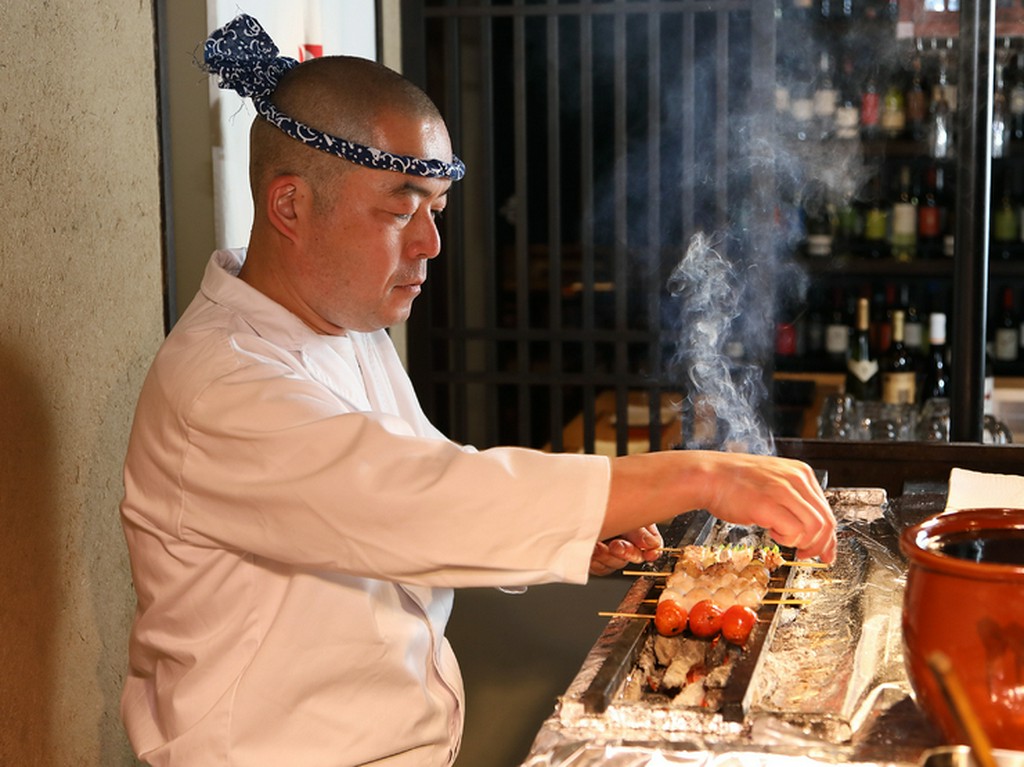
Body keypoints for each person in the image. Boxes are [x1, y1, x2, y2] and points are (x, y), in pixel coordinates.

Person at [119, 14, 837, 767]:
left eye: (435, 211)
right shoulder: (223, 386)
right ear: (290, 204)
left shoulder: (341, 327)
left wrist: (576, 531)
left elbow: (425, 484)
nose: (430, 245)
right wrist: (698, 472)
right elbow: (418, 498)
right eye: (400, 210)